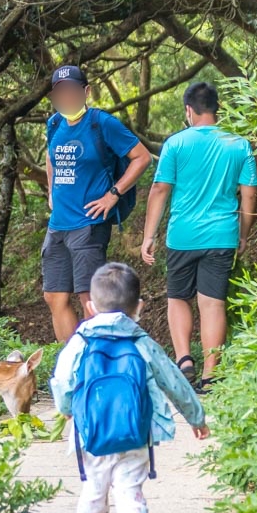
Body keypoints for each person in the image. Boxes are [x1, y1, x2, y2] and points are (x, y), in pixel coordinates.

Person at [50, 262, 209, 513]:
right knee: (130, 493)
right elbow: (174, 381)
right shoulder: (142, 341)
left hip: (91, 434)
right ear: (139, 307)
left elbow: (62, 380)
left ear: (90, 306)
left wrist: (67, 410)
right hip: (135, 434)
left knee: (93, 490)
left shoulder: (79, 341)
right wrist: (197, 417)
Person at [141, 81, 257, 393]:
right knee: (212, 303)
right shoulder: (239, 145)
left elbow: (160, 189)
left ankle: (184, 360)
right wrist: (244, 234)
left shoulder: (176, 144)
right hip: (222, 235)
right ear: (216, 109)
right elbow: (249, 196)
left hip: (183, 235)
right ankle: (210, 374)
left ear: (189, 110)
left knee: (178, 298)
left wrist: (148, 236)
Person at [43, 65, 151, 343]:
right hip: (58, 225)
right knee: (54, 296)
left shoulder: (101, 123)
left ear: (85, 91)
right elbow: (50, 157)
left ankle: (98, 362)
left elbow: (142, 157)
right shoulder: (54, 123)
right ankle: (74, 362)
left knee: (89, 297)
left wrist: (113, 194)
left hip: (89, 224)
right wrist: (52, 192)